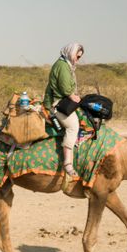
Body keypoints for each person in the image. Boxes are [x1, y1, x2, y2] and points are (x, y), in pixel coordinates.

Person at [43, 42, 84, 178]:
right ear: (70, 53)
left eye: (79, 57)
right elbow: (66, 88)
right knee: (73, 126)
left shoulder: (65, 64)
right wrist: (73, 96)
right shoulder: (62, 66)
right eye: (76, 56)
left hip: (62, 100)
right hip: (57, 103)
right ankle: (68, 163)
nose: (77, 59)